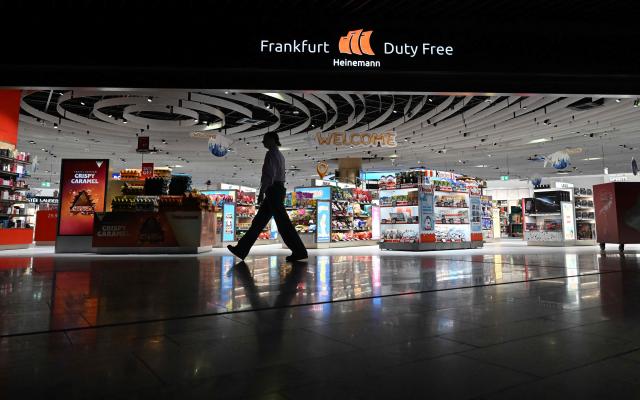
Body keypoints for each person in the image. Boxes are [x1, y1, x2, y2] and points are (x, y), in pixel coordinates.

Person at [227, 132, 308, 262]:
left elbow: (268, 176)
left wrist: (261, 192)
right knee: (259, 222)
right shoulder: (280, 155)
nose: (263, 142)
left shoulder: (271, 154)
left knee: (283, 223)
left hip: (273, 190)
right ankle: (241, 249)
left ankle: (299, 251)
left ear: (272, 139)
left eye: (265, 139)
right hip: (278, 189)